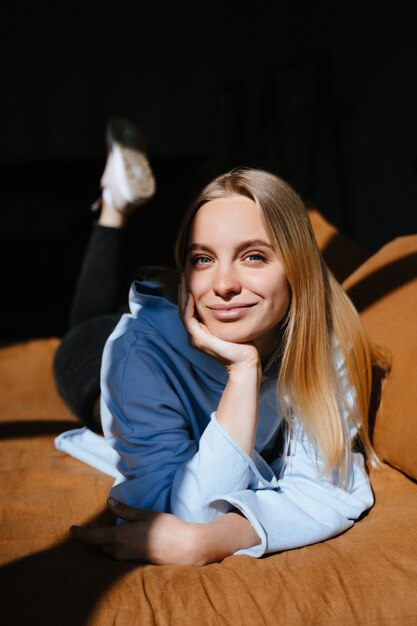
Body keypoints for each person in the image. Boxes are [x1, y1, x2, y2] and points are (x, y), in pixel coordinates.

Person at [57, 118, 391, 566]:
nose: (224, 284)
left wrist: (215, 540)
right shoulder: (135, 352)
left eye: (253, 256)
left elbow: (326, 490)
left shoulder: (328, 343)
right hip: (94, 358)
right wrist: (244, 372)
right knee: (81, 328)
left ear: (298, 269)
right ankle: (113, 209)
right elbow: (177, 514)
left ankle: (115, 202)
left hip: (170, 335)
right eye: (203, 259)